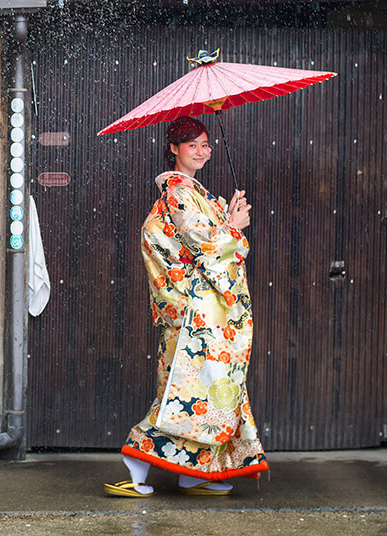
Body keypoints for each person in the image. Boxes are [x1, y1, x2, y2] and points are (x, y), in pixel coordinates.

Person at [105, 115, 268, 498]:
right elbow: (203, 244)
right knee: (186, 391)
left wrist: (228, 215)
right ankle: (137, 462)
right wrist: (234, 229)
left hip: (203, 312)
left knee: (205, 390)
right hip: (196, 312)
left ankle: (192, 472)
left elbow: (209, 238)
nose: (201, 151)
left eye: (205, 144)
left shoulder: (197, 194)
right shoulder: (178, 191)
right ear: (174, 149)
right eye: (191, 144)